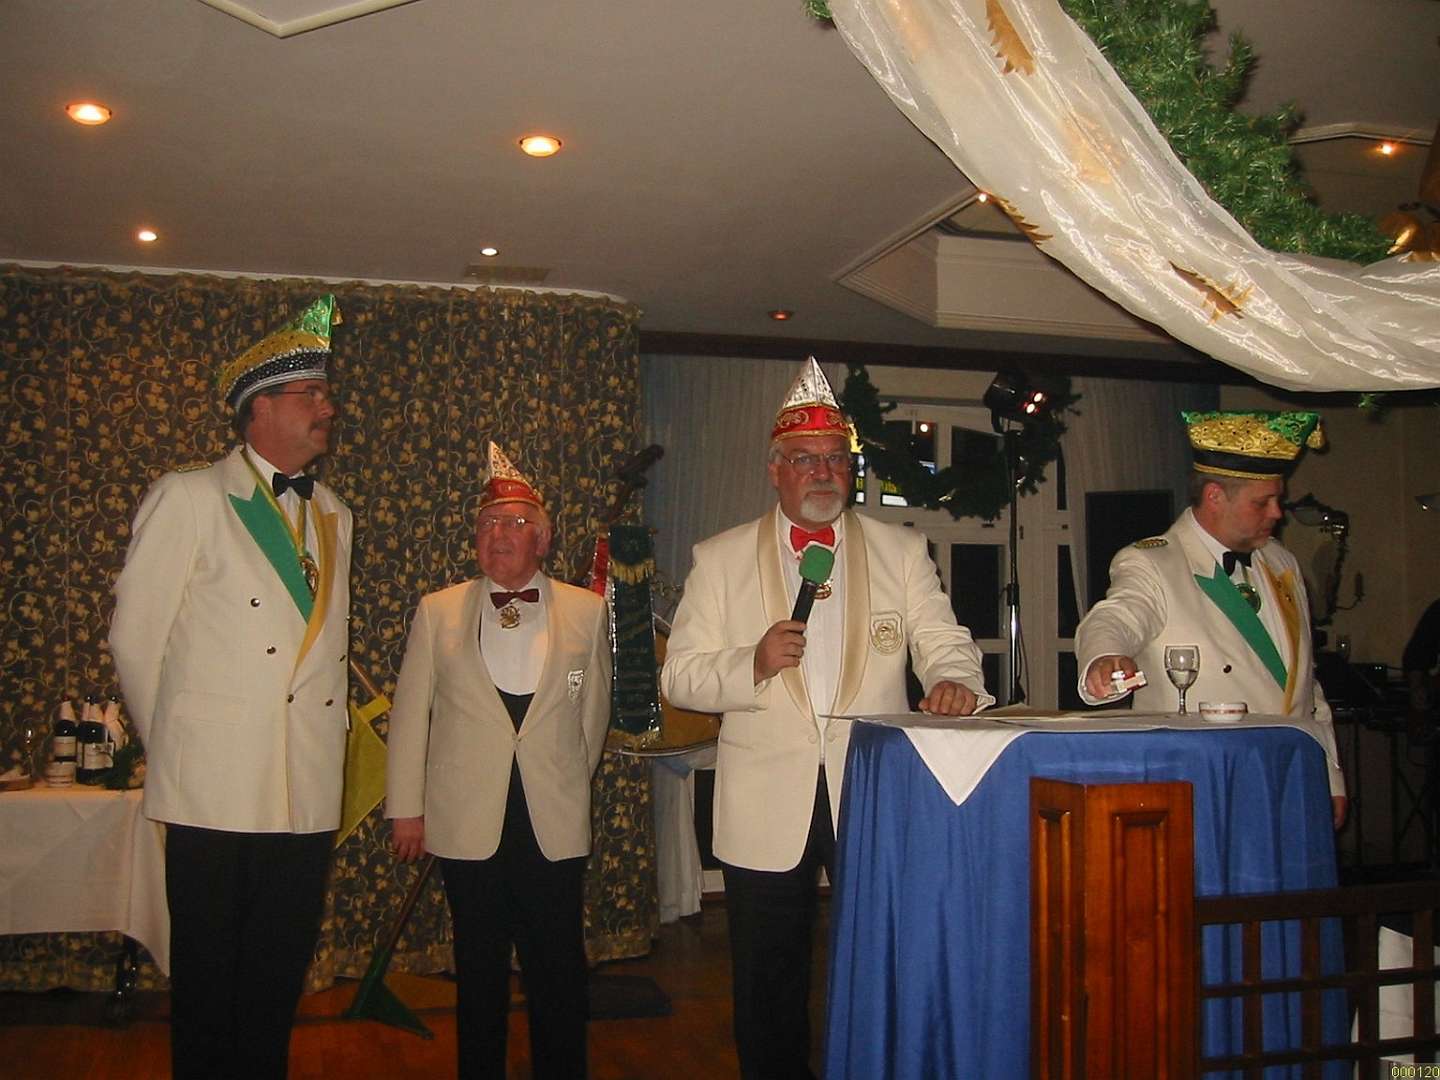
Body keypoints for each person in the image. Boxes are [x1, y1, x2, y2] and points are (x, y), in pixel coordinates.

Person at [660, 357, 993, 1079]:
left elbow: (945, 640)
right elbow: (679, 676)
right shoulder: (719, 559)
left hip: (874, 793)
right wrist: (750, 662)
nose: (822, 473)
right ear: (775, 471)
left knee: (881, 964)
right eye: (805, 459)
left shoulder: (902, 550)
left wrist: (955, 681)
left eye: (835, 459)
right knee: (766, 978)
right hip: (761, 804)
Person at [110, 295, 352, 1079]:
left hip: (303, 789)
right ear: (260, 409)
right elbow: (135, 641)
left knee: (277, 983)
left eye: (325, 393)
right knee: (210, 988)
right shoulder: (188, 498)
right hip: (212, 794)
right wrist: (183, 754)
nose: (327, 408)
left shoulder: (336, 514)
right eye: (311, 394)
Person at [386, 442, 612, 1080]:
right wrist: (407, 809)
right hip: (467, 822)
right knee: (477, 972)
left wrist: (565, 782)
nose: (498, 534)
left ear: (543, 538)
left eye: (514, 522)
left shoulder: (588, 610)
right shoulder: (437, 611)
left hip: (551, 821)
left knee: (557, 971)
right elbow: (410, 717)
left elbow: (593, 718)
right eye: (487, 524)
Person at [1075, 409, 1347, 828]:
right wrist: (1105, 657)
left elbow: (1306, 685)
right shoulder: (1154, 562)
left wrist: (1330, 775)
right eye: (1262, 502)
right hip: (1204, 786)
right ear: (1215, 496)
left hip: (1291, 777)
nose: (1277, 513)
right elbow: (1116, 617)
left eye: (1277, 499)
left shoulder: (1282, 562)